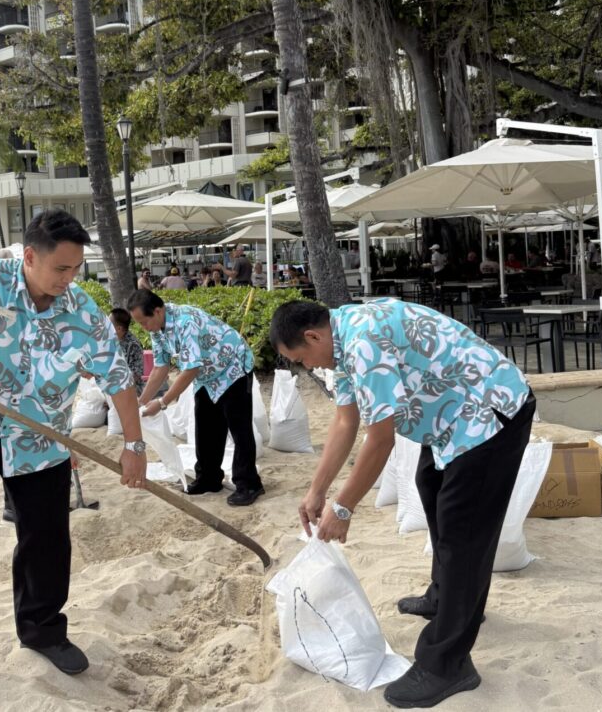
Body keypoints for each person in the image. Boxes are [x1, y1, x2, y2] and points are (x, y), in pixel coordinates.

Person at [0, 210, 147, 712]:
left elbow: (118, 379)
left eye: (76, 268)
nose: (69, 279)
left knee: (47, 541)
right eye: (60, 269)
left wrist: (135, 445)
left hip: (41, 443)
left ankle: (42, 631)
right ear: (29, 257)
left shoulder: (81, 311)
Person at [269, 299, 535, 709]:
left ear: (312, 336)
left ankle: (448, 664)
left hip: (489, 413)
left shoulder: (363, 342)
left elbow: (380, 440)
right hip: (454, 417)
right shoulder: (342, 339)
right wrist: (317, 491)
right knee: (429, 486)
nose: (306, 367)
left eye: (301, 359)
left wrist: (343, 508)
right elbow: (346, 421)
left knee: (462, 530)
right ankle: (446, 596)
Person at [128, 289, 264, 507]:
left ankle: (249, 483)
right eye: (139, 323)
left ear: (157, 311)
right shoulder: (156, 329)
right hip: (208, 375)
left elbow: (190, 369)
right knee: (207, 426)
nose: (143, 327)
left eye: (144, 322)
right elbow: (160, 368)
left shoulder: (184, 321)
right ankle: (209, 478)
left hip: (232, 367)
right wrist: (141, 402)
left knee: (239, 429)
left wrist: (162, 403)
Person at [110, 308, 145, 395]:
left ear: (118, 329)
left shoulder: (133, 345)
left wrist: (117, 387)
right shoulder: (112, 340)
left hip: (131, 388)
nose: (106, 326)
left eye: (109, 324)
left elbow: (137, 374)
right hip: (114, 384)